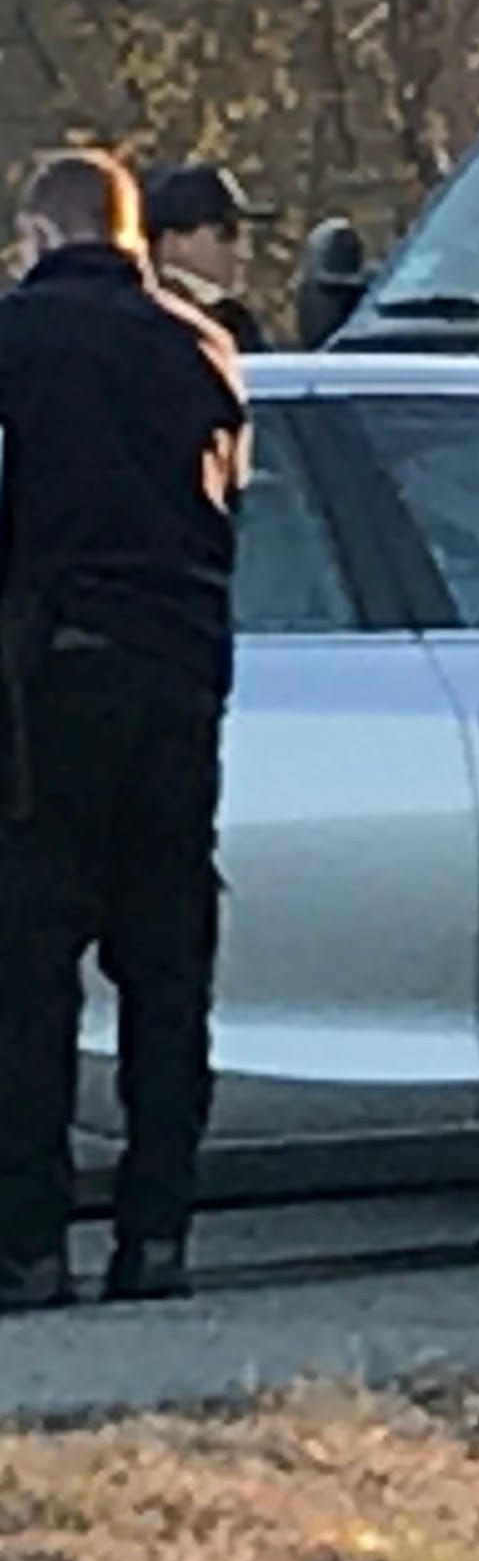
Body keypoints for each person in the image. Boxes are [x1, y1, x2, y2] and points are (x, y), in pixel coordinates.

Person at [0, 150, 248, 1309]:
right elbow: (227, 517)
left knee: (29, 975)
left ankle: (30, 1245)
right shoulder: (205, 347)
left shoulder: (13, 341)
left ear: (39, 237)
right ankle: (157, 1238)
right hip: (180, 683)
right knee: (166, 971)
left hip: (47, 690)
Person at [143, 164, 269, 352]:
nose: (244, 252)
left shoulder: (231, 319)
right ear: (172, 241)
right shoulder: (147, 323)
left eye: (247, 235)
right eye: (228, 232)